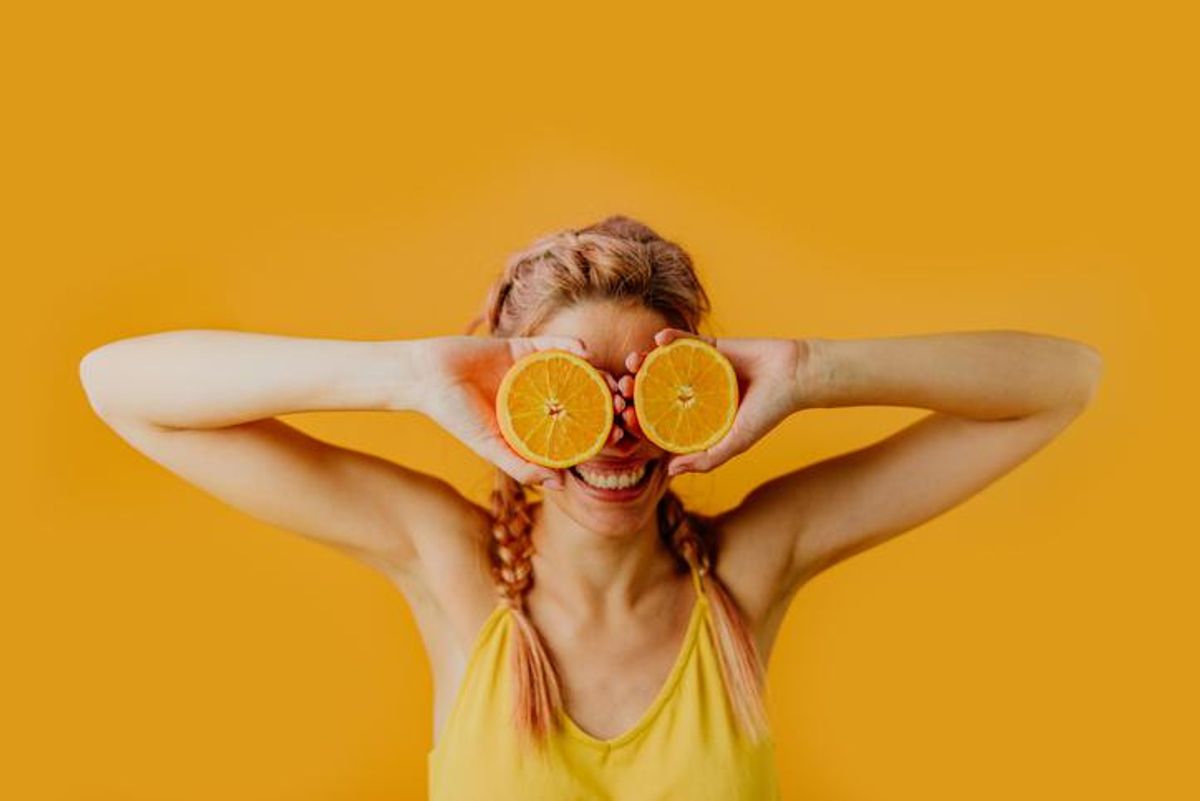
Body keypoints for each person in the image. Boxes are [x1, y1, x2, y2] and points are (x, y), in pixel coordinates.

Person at [78, 215, 1104, 799]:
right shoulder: (452, 569)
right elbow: (119, 388)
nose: (616, 429)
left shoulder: (750, 570)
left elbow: (1061, 383)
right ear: (508, 400)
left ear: (701, 389)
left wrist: (808, 369)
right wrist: (407, 375)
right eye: (569, 393)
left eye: (649, 386)